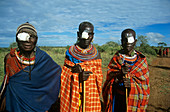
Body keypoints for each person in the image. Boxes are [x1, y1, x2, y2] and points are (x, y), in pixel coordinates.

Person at [0, 22, 61, 112]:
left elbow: (57, 73)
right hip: (13, 104)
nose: (28, 40)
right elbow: (7, 83)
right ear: (17, 39)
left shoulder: (43, 59)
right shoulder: (10, 58)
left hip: (36, 105)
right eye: (23, 36)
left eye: (31, 36)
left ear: (36, 40)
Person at [102, 29, 150, 112]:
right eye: (125, 40)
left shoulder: (141, 61)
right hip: (117, 99)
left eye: (130, 40)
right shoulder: (116, 59)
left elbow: (144, 86)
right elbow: (109, 82)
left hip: (134, 100)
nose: (128, 42)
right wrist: (119, 75)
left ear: (135, 41)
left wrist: (131, 85)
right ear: (121, 41)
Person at [60, 21, 103, 112]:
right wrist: (75, 75)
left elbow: (99, 77)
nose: (87, 37)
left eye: (90, 34)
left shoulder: (96, 55)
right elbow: (65, 75)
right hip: (75, 96)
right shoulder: (70, 53)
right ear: (78, 34)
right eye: (84, 33)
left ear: (93, 35)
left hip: (90, 96)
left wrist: (89, 76)